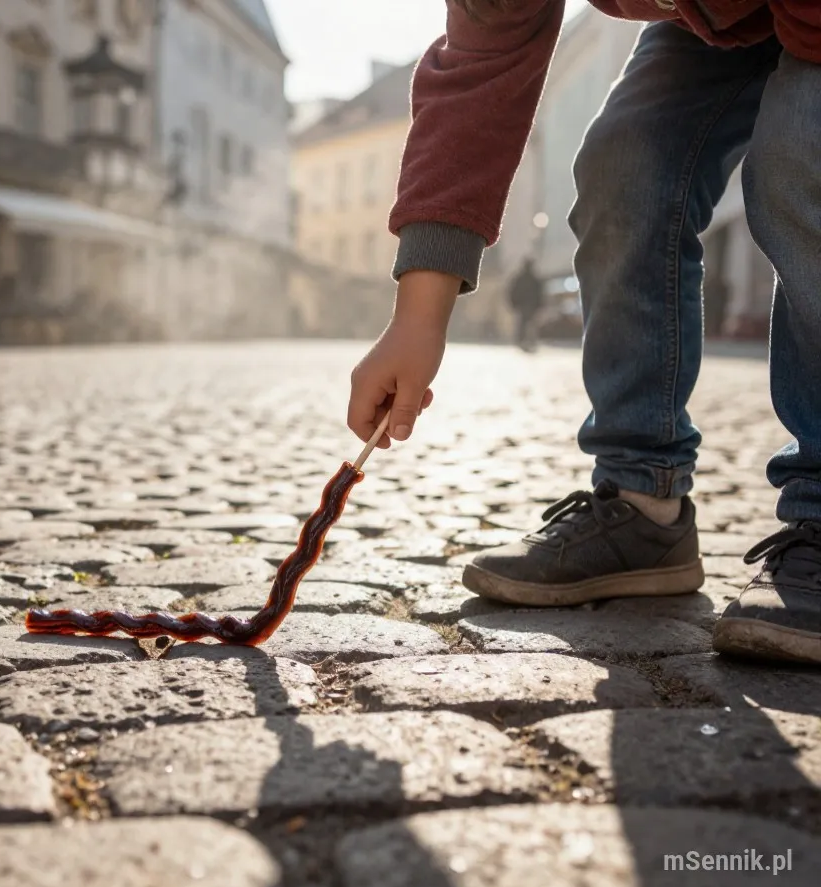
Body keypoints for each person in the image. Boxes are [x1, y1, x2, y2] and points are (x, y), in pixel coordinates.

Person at [347, 0, 821, 665]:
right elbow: (482, 64)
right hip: (709, 19)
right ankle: (643, 504)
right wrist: (417, 319)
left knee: (799, 158)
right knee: (622, 168)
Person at [508, 257, 544, 351]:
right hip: (528, 305)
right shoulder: (532, 279)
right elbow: (539, 293)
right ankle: (527, 341)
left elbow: (513, 291)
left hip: (526, 305)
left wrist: (514, 303)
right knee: (528, 324)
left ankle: (525, 341)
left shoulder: (522, 278)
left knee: (525, 324)